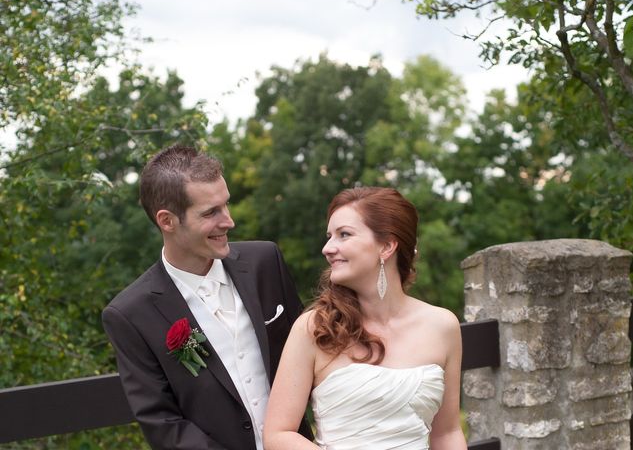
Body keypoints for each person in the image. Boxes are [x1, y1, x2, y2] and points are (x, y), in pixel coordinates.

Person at [102, 145, 311, 450]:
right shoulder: (130, 314)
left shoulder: (266, 261)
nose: (228, 221)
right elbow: (162, 423)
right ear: (167, 221)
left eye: (225, 205)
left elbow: (317, 356)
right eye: (211, 212)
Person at [263, 186, 466, 450]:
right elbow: (278, 435)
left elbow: (447, 433)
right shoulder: (314, 327)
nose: (327, 248)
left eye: (343, 234)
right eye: (329, 236)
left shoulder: (442, 326)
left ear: (387, 246)